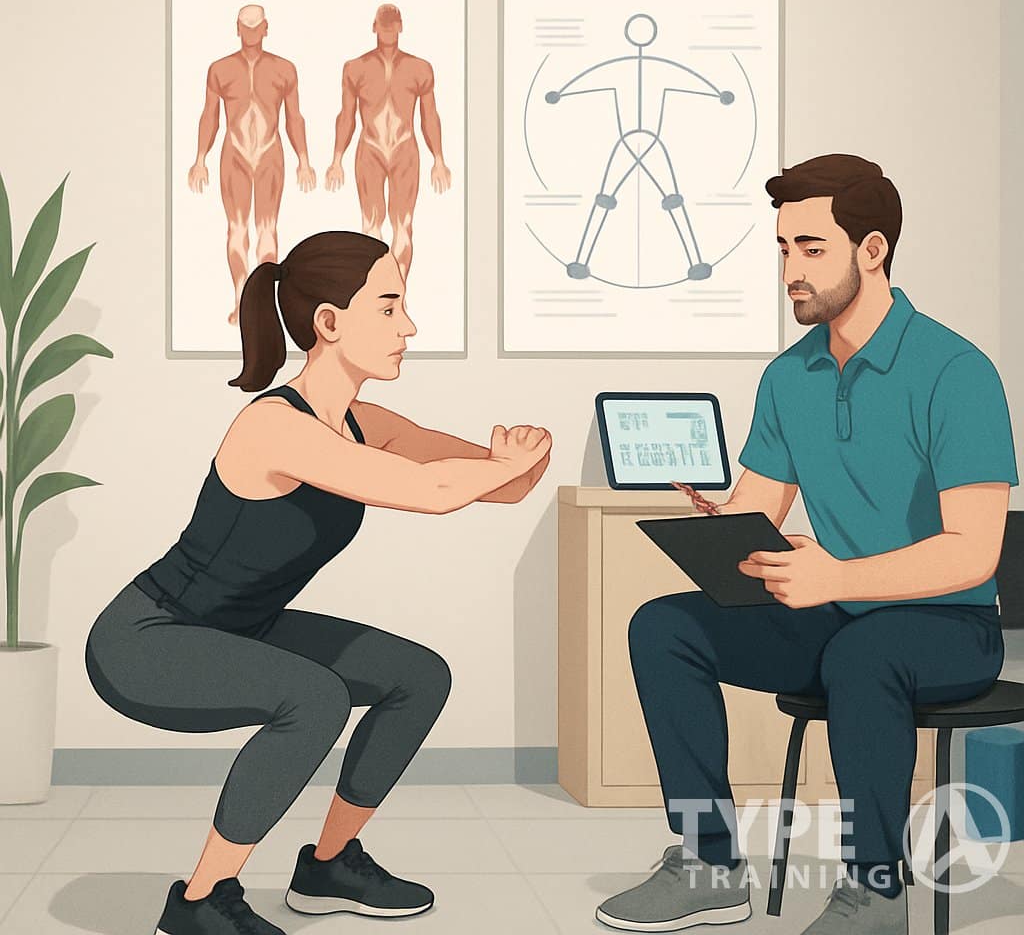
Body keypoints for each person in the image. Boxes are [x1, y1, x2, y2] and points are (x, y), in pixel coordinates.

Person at [596, 154, 1018, 934]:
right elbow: (758, 510)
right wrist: (726, 528)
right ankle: (709, 861)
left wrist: (836, 574)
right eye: (783, 248)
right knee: (664, 625)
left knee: (865, 656)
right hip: (839, 609)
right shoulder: (790, 377)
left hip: (949, 622)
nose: (791, 268)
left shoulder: (956, 372)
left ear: (873, 250)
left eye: (811, 248)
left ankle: (877, 887)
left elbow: (973, 554)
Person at [84, 230, 551, 935]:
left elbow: (497, 488)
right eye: (389, 308)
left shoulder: (365, 422)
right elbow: (433, 490)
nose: (410, 327)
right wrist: (501, 465)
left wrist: (522, 458)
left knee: (418, 676)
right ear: (329, 323)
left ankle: (328, 866)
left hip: (246, 626)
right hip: (149, 637)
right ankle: (200, 903)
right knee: (314, 696)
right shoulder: (274, 426)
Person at [187, 4, 317, 326]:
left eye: (255, 26)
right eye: (245, 27)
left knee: (268, 230)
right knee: (236, 229)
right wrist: (200, 159)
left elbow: (294, 117)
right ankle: (240, 297)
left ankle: (262, 303)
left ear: (266, 28)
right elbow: (210, 116)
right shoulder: (219, 69)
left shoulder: (284, 69)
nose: (250, 33)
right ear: (237, 29)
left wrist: (304, 160)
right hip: (235, 154)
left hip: (271, 153)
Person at [324, 3, 452, 279]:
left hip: (404, 149)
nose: (388, 30)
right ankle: (376, 292)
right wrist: (337, 159)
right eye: (384, 25)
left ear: (400, 27)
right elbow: (346, 116)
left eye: (393, 24)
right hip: (370, 149)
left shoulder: (420, 68)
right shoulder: (355, 68)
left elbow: (429, 116)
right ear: (374, 27)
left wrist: (439, 159)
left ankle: (400, 293)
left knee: (403, 225)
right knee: (371, 226)